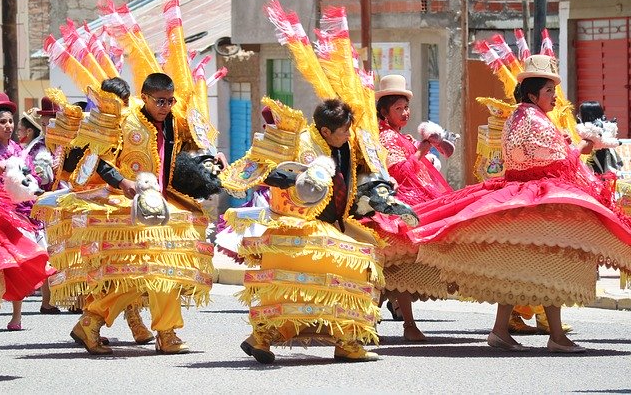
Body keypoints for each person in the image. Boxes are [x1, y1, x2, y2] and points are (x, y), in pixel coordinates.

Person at [408, 54, 631, 353]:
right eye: (549, 91)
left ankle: (503, 331)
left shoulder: (523, 115)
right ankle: (553, 336)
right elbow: (556, 159)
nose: (553, 97)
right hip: (540, 200)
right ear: (531, 93)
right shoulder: (531, 118)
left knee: (520, 269)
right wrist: (583, 147)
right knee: (552, 262)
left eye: (553, 91)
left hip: (523, 196)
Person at [36, 73, 217, 355]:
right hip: (126, 208)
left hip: (161, 205)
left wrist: (211, 162)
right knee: (147, 271)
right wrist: (123, 182)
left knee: (159, 271)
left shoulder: (173, 122)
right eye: (160, 101)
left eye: (170, 101)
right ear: (144, 97)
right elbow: (98, 159)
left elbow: (186, 150)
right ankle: (118, 325)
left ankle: (134, 328)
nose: (166, 106)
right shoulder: (123, 120)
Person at [221, 98, 383, 363]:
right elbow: (257, 170)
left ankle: (268, 338)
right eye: (344, 131)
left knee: (367, 259)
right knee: (349, 268)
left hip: (332, 225)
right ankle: (343, 342)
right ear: (326, 132)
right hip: (297, 226)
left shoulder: (343, 145)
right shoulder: (298, 141)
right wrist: (281, 177)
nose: (348, 135)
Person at [364, 75, 453, 341]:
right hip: (394, 209)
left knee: (395, 271)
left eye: (406, 108)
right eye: (398, 109)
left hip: (406, 205)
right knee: (394, 268)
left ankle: (389, 324)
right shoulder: (388, 138)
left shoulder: (399, 136)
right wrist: (420, 152)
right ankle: (402, 325)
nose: (405, 113)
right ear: (384, 111)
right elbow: (398, 172)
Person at [0, 92, 54, 329]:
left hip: (19, 213)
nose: (8, 126)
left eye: (10, 122)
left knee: (19, 262)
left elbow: (31, 179)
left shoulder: (20, 150)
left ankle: (16, 316)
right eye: (2, 122)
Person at [17, 100, 61, 315]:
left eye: (51, 123)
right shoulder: (38, 149)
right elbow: (35, 179)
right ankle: (48, 300)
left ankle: (73, 298)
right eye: (44, 124)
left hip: (62, 205)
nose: (47, 128)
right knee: (49, 252)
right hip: (44, 207)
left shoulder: (65, 145)